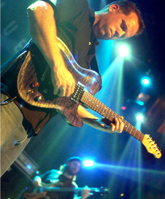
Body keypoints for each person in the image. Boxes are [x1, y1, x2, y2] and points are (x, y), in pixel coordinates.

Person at [1, 0, 145, 177]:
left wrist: (100, 124)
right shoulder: (78, 7)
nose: (118, 34)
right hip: (11, 102)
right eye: (122, 26)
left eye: (123, 36)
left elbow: (69, 105)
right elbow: (38, 9)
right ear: (114, 8)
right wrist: (57, 66)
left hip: (26, 132)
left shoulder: (91, 66)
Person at [20, 156, 91, 199]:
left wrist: (83, 197)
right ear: (68, 163)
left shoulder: (73, 186)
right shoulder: (53, 173)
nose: (76, 167)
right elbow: (38, 178)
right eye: (75, 164)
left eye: (78, 167)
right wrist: (37, 180)